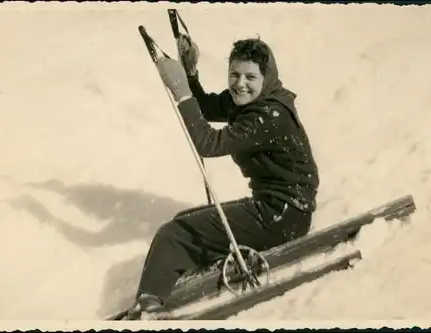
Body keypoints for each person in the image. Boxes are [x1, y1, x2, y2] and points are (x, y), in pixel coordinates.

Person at [126, 35, 319, 320]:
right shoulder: (251, 101)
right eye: (234, 74)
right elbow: (204, 107)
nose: (240, 83)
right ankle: (175, 278)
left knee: (174, 234)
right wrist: (190, 76)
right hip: (282, 210)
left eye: (250, 76)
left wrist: (180, 91)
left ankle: (148, 307)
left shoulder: (268, 114)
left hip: (282, 215)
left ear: (267, 77)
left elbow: (208, 143)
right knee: (184, 220)